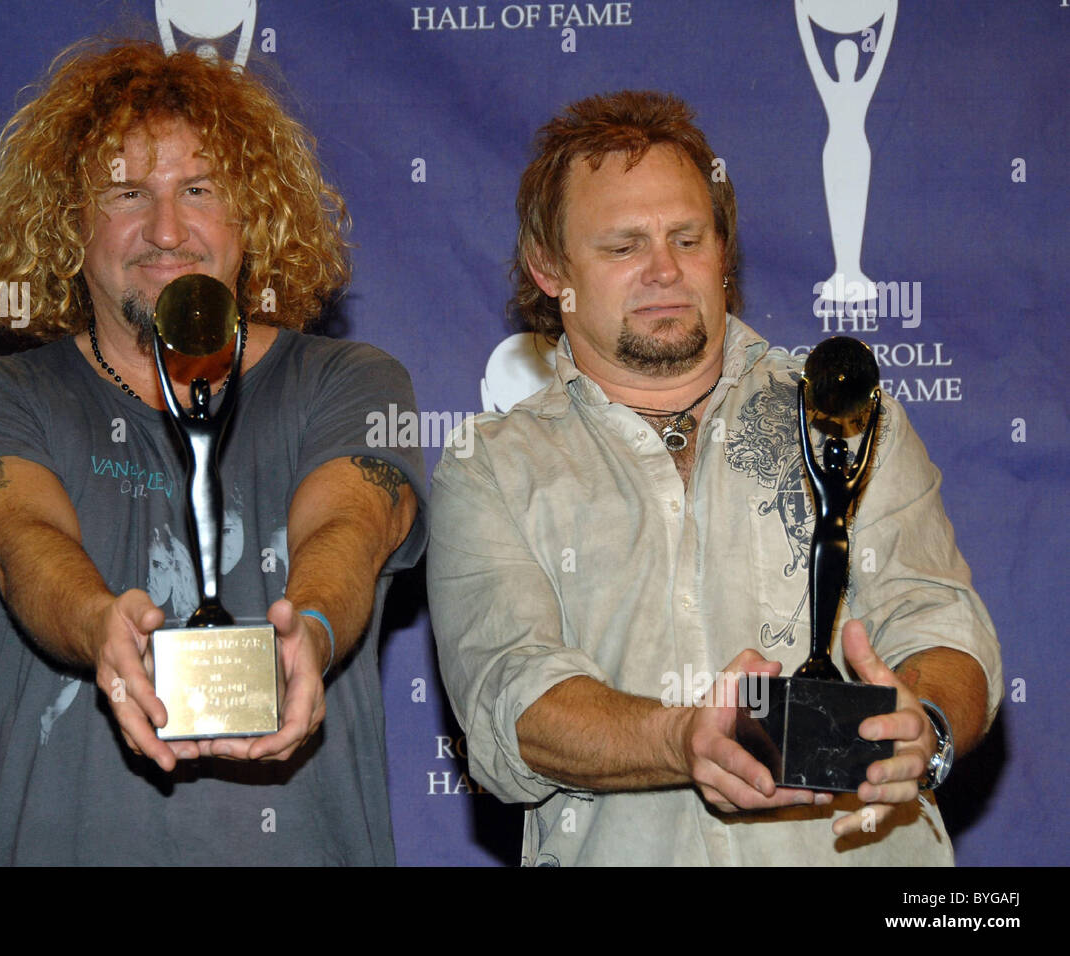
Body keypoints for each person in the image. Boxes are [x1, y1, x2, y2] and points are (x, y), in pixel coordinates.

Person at [427, 91, 1000, 865]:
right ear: (549, 270)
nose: (664, 270)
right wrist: (680, 738)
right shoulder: (491, 467)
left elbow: (941, 623)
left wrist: (925, 722)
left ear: (723, 253)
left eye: (688, 238)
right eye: (624, 246)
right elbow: (512, 696)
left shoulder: (850, 416)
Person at [0, 41, 425, 865]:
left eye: (198, 189)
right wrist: (96, 626)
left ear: (250, 214)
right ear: (68, 221)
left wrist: (317, 629)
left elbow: (351, 520)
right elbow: (17, 540)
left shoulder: (350, 381)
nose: (166, 229)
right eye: (126, 193)